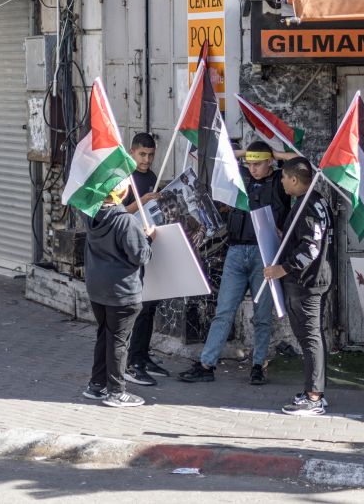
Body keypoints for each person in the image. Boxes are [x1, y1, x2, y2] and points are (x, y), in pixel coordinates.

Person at [179, 141, 290, 386]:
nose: (253, 168)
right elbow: (205, 154)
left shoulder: (281, 181)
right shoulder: (241, 177)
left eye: (258, 163)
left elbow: (303, 163)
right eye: (249, 163)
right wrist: (244, 154)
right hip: (236, 251)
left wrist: (275, 154)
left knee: (262, 316)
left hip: (265, 254)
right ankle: (207, 364)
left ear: (270, 162)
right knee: (224, 312)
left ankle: (258, 365)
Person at [264, 157, 332, 416]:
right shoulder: (317, 200)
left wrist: (282, 268)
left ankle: (314, 397)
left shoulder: (307, 206)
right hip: (316, 278)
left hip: (306, 282)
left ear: (294, 179)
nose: (281, 181)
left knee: (310, 337)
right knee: (313, 336)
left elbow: (310, 249)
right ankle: (314, 391)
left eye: (283, 177)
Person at [82, 177, 155, 408]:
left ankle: (97, 385)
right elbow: (140, 256)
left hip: (97, 288)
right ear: (122, 193)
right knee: (119, 341)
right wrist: (148, 239)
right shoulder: (126, 221)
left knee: (105, 335)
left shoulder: (90, 215)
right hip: (122, 291)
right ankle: (116, 391)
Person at [123, 133, 169, 386]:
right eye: (142, 154)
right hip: (130, 250)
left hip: (150, 245)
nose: (147, 160)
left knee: (151, 305)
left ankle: (142, 356)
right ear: (132, 152)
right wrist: (141, 202)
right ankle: (131, 361)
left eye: (151, 155)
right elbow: (116, 212)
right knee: (139, 308)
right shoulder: (124, 178)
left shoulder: (151, 177)